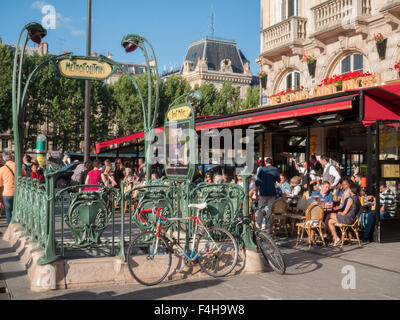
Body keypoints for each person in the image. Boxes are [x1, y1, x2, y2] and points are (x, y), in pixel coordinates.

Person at [324, 182, 361, 246]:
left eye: (349, 189)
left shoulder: (350, 199)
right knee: (330, 221)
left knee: (329, 215)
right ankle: (336, 238)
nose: (348, 190)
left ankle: (325, 233)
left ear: (351, 190)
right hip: (352, 219)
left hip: (347, 219)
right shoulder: (357, 198)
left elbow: (344, 213)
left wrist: (339, 212)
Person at [0, 151, 26, 225]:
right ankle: (18, 228)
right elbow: (24, 176)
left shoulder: (2, 169)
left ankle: (9, 229)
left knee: (8, 212)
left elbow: (0, 184)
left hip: (7, 193)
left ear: (4, 159)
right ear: (12, 157)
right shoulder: (18, 166)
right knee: (18, 212)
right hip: (18, 193)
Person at [254, 157, 280, 231]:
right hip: (272, 192)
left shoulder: (262, 170)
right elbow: (278, 180)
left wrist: (256, 193)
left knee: (260, 209)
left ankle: (258, 228)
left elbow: (257, 183)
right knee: (269, 211)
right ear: (272, 162)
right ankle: (269, 228)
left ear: (265, 162)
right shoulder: (275, 169)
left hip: (263, 192)